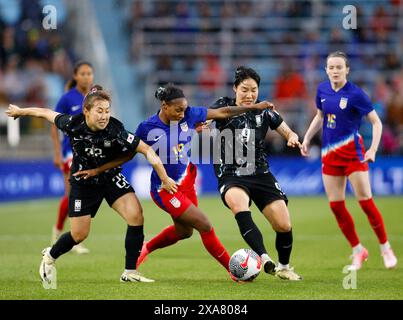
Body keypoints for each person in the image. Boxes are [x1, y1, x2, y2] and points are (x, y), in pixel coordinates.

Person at [5, 85, 177, 285]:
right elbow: (45, 113)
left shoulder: (116, 129)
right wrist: (20, 112)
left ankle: (130, 272)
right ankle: (50, 256)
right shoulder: (72, 123)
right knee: (79, 234)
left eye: (107, 111)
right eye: (99, 111)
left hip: (110, 178)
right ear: (86, 111)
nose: (104, 116)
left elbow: (147, 150)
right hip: (83, 182)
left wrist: (164, 178)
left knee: (136, 216)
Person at [133, 84, 275, 281]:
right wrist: (102, 168)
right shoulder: (146, 127)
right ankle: (234, 270)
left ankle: (146, 247)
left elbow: (223, 112)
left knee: (184, 232)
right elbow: (129, 151)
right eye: (178, 110)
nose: (183, 114)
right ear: (164, 106)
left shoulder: (189, 115)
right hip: (165, 188)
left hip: (187, 180)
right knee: (205, 225)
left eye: (185, 109)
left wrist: (253, 107)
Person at [301, 51, 398, 271]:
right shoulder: (322, 90)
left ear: (347, 70)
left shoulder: (356, 94)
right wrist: (306, 138)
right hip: (330, 156)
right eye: (331, 67)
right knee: (336, 206)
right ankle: (357, 250)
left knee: (365, 201)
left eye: (339, 67)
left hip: (354, 155)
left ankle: (385, 247)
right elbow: (319, 116)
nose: (335, 71)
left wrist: (373, 149)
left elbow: (377, 123)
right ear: (326, 70)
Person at [208, 66, 303, 281]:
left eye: (253, 90)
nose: (249, 95)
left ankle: (285, 267)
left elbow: (285, 128)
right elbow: (207, 117)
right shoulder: (223, 105)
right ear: (235, 89)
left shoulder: (265, 111)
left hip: (260, 172)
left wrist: (291, 136)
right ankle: (264, 257)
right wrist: (201, 123)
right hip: (231, 173)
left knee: (284, 225)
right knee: (239, 205)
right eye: (244, 90)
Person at [50, 61, 93, 254]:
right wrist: (57, 152)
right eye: (83, 73)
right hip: (70, 153)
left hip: (90, 155)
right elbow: (53, 123)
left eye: (89, 73)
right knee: (71, 196)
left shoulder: (94, 98)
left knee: (84, 196)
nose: (86, 77)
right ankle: (58, 233)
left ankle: (75, 236)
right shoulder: (67, 99)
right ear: (75, 76)